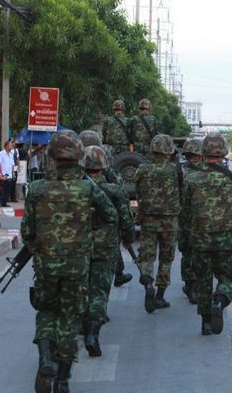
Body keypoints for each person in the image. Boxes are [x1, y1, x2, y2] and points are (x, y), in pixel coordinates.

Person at [21, 131, 117, 393]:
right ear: (78, 158)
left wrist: (41, 247)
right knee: (69, 318)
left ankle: (45, 360)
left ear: (52, 157)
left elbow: (27, 231)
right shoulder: (87, 188)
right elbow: (110, 214)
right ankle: (62, 378)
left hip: (46, 265)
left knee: (46, 312)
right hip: (77, 265)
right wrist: (87, 223)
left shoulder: (38, 190)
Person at [182, 133, 232, 335]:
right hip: (227, 237)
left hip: (200, 237)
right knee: (230, 276)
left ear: (203, 152)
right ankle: (219, 302)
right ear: (224, 152)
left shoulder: (191, 178)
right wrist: (227, 214)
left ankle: (206, 323)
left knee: (203, 279)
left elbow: (185, 210)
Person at [81, 146, 135, 357]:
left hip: (80, 247)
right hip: (105, 248)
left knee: (82, 288)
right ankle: (92, 333)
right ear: (104, 167)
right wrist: (128, 240)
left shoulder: (76, 188)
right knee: (99, 292)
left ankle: (80, 323)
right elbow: (126, 219)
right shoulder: (115, 189)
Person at [80, 130, 134, 288]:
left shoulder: (76, 156)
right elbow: (115, 180)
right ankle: (116, 273)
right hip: (105, 202)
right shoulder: (104, 153)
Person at [135, 134, 180, 313]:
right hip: (170, 220)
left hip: (149, 219)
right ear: (169, 151)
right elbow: (182, 192)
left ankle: (147, 284)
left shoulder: (142, 169)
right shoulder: (176, 170)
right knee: (166, 258)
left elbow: (138, 193)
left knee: (147, 255)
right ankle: (160, 295)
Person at [179, 138, 204, 304]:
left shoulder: (178, 171)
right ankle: (196, 285)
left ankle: (190, 285)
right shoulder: (209, 171)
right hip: (204, 219)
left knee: (187, 252)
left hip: (185, 219)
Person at [0, 141, 15, 207]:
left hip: (10, 175)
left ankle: (4, 202)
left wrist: (13, 174)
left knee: (8, 190)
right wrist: (1, 173)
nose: (11, 147)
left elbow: (12, 165)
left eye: (12, 146)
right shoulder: (1, 153)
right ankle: (1, 202)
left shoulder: (11, 154)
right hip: (3, 175)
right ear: (6, 146)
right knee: (2, 190)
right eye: (10, 145)